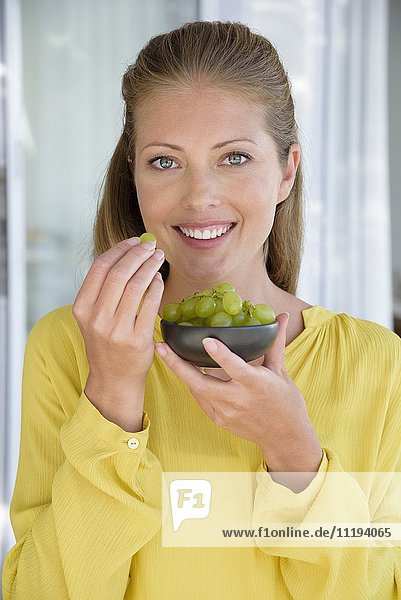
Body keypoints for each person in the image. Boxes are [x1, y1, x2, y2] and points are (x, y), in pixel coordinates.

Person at [2, 20, 401, 600]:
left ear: (287, 171)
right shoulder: (67, 347)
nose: (200, 197)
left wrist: (295, 455)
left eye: (235, 157)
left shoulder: (380, 365)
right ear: (133, 174)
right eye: (165, 162)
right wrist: (112, 400)